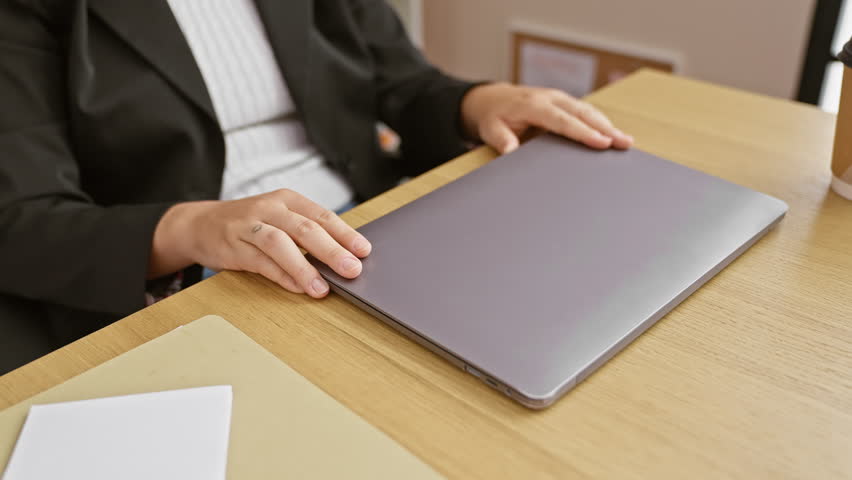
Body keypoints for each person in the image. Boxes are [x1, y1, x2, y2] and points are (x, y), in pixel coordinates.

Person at [0, 0, 633, 372]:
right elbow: (23, 221)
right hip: (201, 281)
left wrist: (479, 99)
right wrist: (195, 226)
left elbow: (404, 84)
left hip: (375, 227)